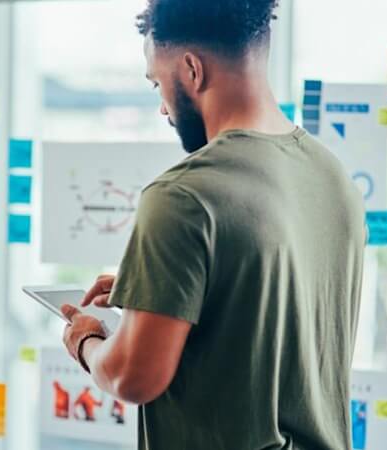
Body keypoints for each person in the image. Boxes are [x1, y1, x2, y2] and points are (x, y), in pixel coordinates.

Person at [60, 0, 365, 448]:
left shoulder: (182, 196)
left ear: (191, 70)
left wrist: (85, 340)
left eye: (157, 83)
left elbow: (131, 375)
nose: (163, 108)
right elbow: (269, 318)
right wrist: (156, 292)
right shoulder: (332, 176)